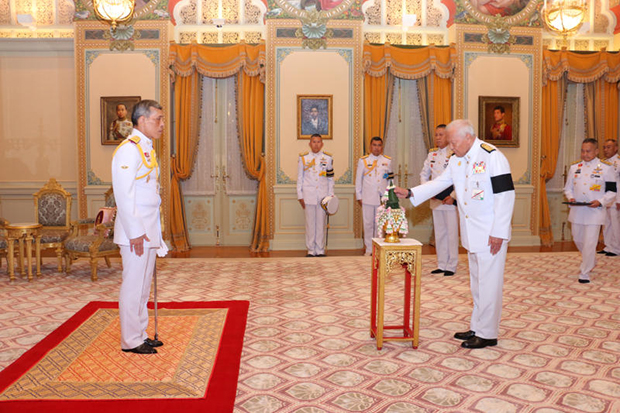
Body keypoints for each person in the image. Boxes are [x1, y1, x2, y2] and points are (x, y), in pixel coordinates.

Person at [395, 119, 515, 349]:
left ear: (468, 137)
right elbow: (440, 182)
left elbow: (505, 196)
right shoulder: (457, 160)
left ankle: (488, 333)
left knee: (489, 283)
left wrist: (499, 232)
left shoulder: (492, 157)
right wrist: (411, 192)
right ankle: (477, 326)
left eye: (453, 141)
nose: (451, 146)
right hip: (472, 232)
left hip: (491, 233)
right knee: (478, 283)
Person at [112, 99, 168, 354]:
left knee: (143, 286)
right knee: (133, 285)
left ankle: (140, 333)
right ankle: (130, 340)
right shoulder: (128, 149)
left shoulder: (146, 148)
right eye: (158, 119)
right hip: (135, 233)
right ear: (142, 120)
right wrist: (135, 233)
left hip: (147, 229)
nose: (162, 125)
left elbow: (148, 194)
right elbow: (124, 195)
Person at [564, 138, 617, 284]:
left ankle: (585, 272)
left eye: (588, 151)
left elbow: (612, 192)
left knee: (589, 243)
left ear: (596, 151)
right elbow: (568, 188)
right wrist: (571, 197)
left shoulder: (606, 168)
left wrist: (600, 201)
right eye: (582, 151)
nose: (585, 154)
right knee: (578, 240)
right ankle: (591, 260)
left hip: (595, 212)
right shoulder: (575, 167)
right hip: (577, 211)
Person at [420, 125, 459, 276]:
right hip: (435, 199)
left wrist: (454, 196)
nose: (437, 137)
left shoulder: (455, 155)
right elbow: (424, 174)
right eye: (436, 134)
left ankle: (452, 265)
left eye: (441, 135)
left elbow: (460, 178)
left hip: (449, 199)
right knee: (440, 234)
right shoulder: (432, 155)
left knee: (451, 233)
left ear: (448, 136)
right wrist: (427, 190)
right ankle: (442, 264)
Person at [297, 134, 334, 257]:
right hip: (308, 196)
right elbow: (300, 178)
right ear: (310, 143)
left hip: (323, 196)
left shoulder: (328, 158)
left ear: (322, 144)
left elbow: (330, 179)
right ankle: (311, 249)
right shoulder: (303, 158)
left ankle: (320, 249)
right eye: (314, 142)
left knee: (321, 223)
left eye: (319, 142)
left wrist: (330, 196)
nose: (316, 144)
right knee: (310, 223)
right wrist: (300, 195)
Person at [355, 137, 392, 256]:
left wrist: (389, 195)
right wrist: (359, 196)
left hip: (382, 198)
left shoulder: (387, 161)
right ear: (370, 147)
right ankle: (369, 249)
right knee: (368, 224)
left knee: (379, 225)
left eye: (379, 145)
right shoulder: (363, 160)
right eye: (374, 145)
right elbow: (358, 180)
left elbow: (390, 180)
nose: (377, 147)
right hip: (367, 197)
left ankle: (378, 248)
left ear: (382, 147)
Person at [598, 139, 620, 257]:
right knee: (606, 224)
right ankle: (608, 246)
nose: (606, 150)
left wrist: (619, 200)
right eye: (604, 147)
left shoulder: (619, 162)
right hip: (605, 198)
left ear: (616, 148)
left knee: (616, 224)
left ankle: (616, 248)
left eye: (609, 147)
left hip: (616, 198)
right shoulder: (603, 163)